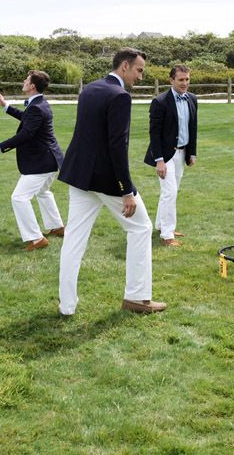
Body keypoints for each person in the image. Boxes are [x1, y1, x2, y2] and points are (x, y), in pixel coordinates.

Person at [57, 47, 166, 315]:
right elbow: (118, 146)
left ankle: (67, 306)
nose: (140, 76)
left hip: (79, 175)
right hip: (105, 179)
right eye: (139, 70)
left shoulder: (90, 89)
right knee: (141, 228)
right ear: (124, 66)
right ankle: (137, 297)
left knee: (74, 239)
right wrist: (126, 190)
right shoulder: (120, 96)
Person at [0, 70, 65, 251]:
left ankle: (36, 239)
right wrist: (6, 106)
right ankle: (57, 227)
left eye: (27, 80)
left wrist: (0, 146)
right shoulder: (39, 103)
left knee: (19, 198)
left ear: (32, 86)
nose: (24, 80)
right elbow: (27, 119)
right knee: (43, 192)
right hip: (51, 159)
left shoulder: (37, 107)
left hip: (42, 162)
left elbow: (26, 134)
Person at [143, 64, 197, 247]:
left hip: (182, 153)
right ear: (171, 80)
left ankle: (161, 225)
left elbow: (193, 128)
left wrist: (192, 153)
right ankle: (167, 235)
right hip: (165, 156)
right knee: (170, 192)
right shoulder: (160, 102)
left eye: (187, 79)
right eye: (181, 79)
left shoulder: (192, 99)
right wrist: (159, 160)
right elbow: (154, 133)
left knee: (170, 192)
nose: (185, 83)